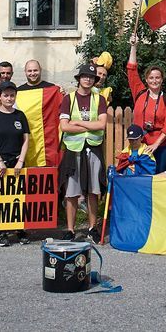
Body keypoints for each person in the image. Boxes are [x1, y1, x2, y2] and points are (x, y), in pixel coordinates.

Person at [59, 63, 108, 242]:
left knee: (93, 190)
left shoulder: (99, 99)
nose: (88, 79)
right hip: (73, 149)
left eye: (91, 77)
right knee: (71, 191)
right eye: (85, 76)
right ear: (79, 78)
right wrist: (89, 126)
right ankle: (70, 230)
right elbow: (64, 126)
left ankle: (92, 227)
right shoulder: (68, 99)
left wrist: (78, 124)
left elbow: (101, 124)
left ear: (95, 80)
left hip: (93, 148)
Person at [0, 80, 31, 247]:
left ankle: (20, 230)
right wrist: (0, 162)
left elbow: (26, 140)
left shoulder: (20, 115)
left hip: (17, 162)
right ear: (0, 96)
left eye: (12, 95)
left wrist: (20, 161)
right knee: (0, 199)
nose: (9, 98)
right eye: (6, 95)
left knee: (17, 198)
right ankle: (2, 232)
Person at [127, 34, 166, 174]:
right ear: (146, 80)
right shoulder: (140, 93)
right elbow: (131, 70)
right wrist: (133, 47)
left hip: (159, 147)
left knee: (156, 181)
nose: (154, 80)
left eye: (157, 78)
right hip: (139, 145)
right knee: (139, 178)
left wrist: (156, 144)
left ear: (162, 80)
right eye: (151, 78)